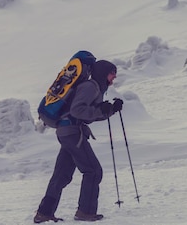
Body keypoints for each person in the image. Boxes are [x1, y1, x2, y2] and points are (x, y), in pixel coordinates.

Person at [34, 59, 123, 223]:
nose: (114, 78)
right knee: (93, 171)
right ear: (103, 73)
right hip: (72, 132)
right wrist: (99, 110)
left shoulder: (94, 88)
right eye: (112, 74)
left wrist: (109, 110)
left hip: (67, 132)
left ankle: (44, 213)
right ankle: (85, 211)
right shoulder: (90, 87)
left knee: (61, 176)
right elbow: (77, 110)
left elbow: (87, 115)